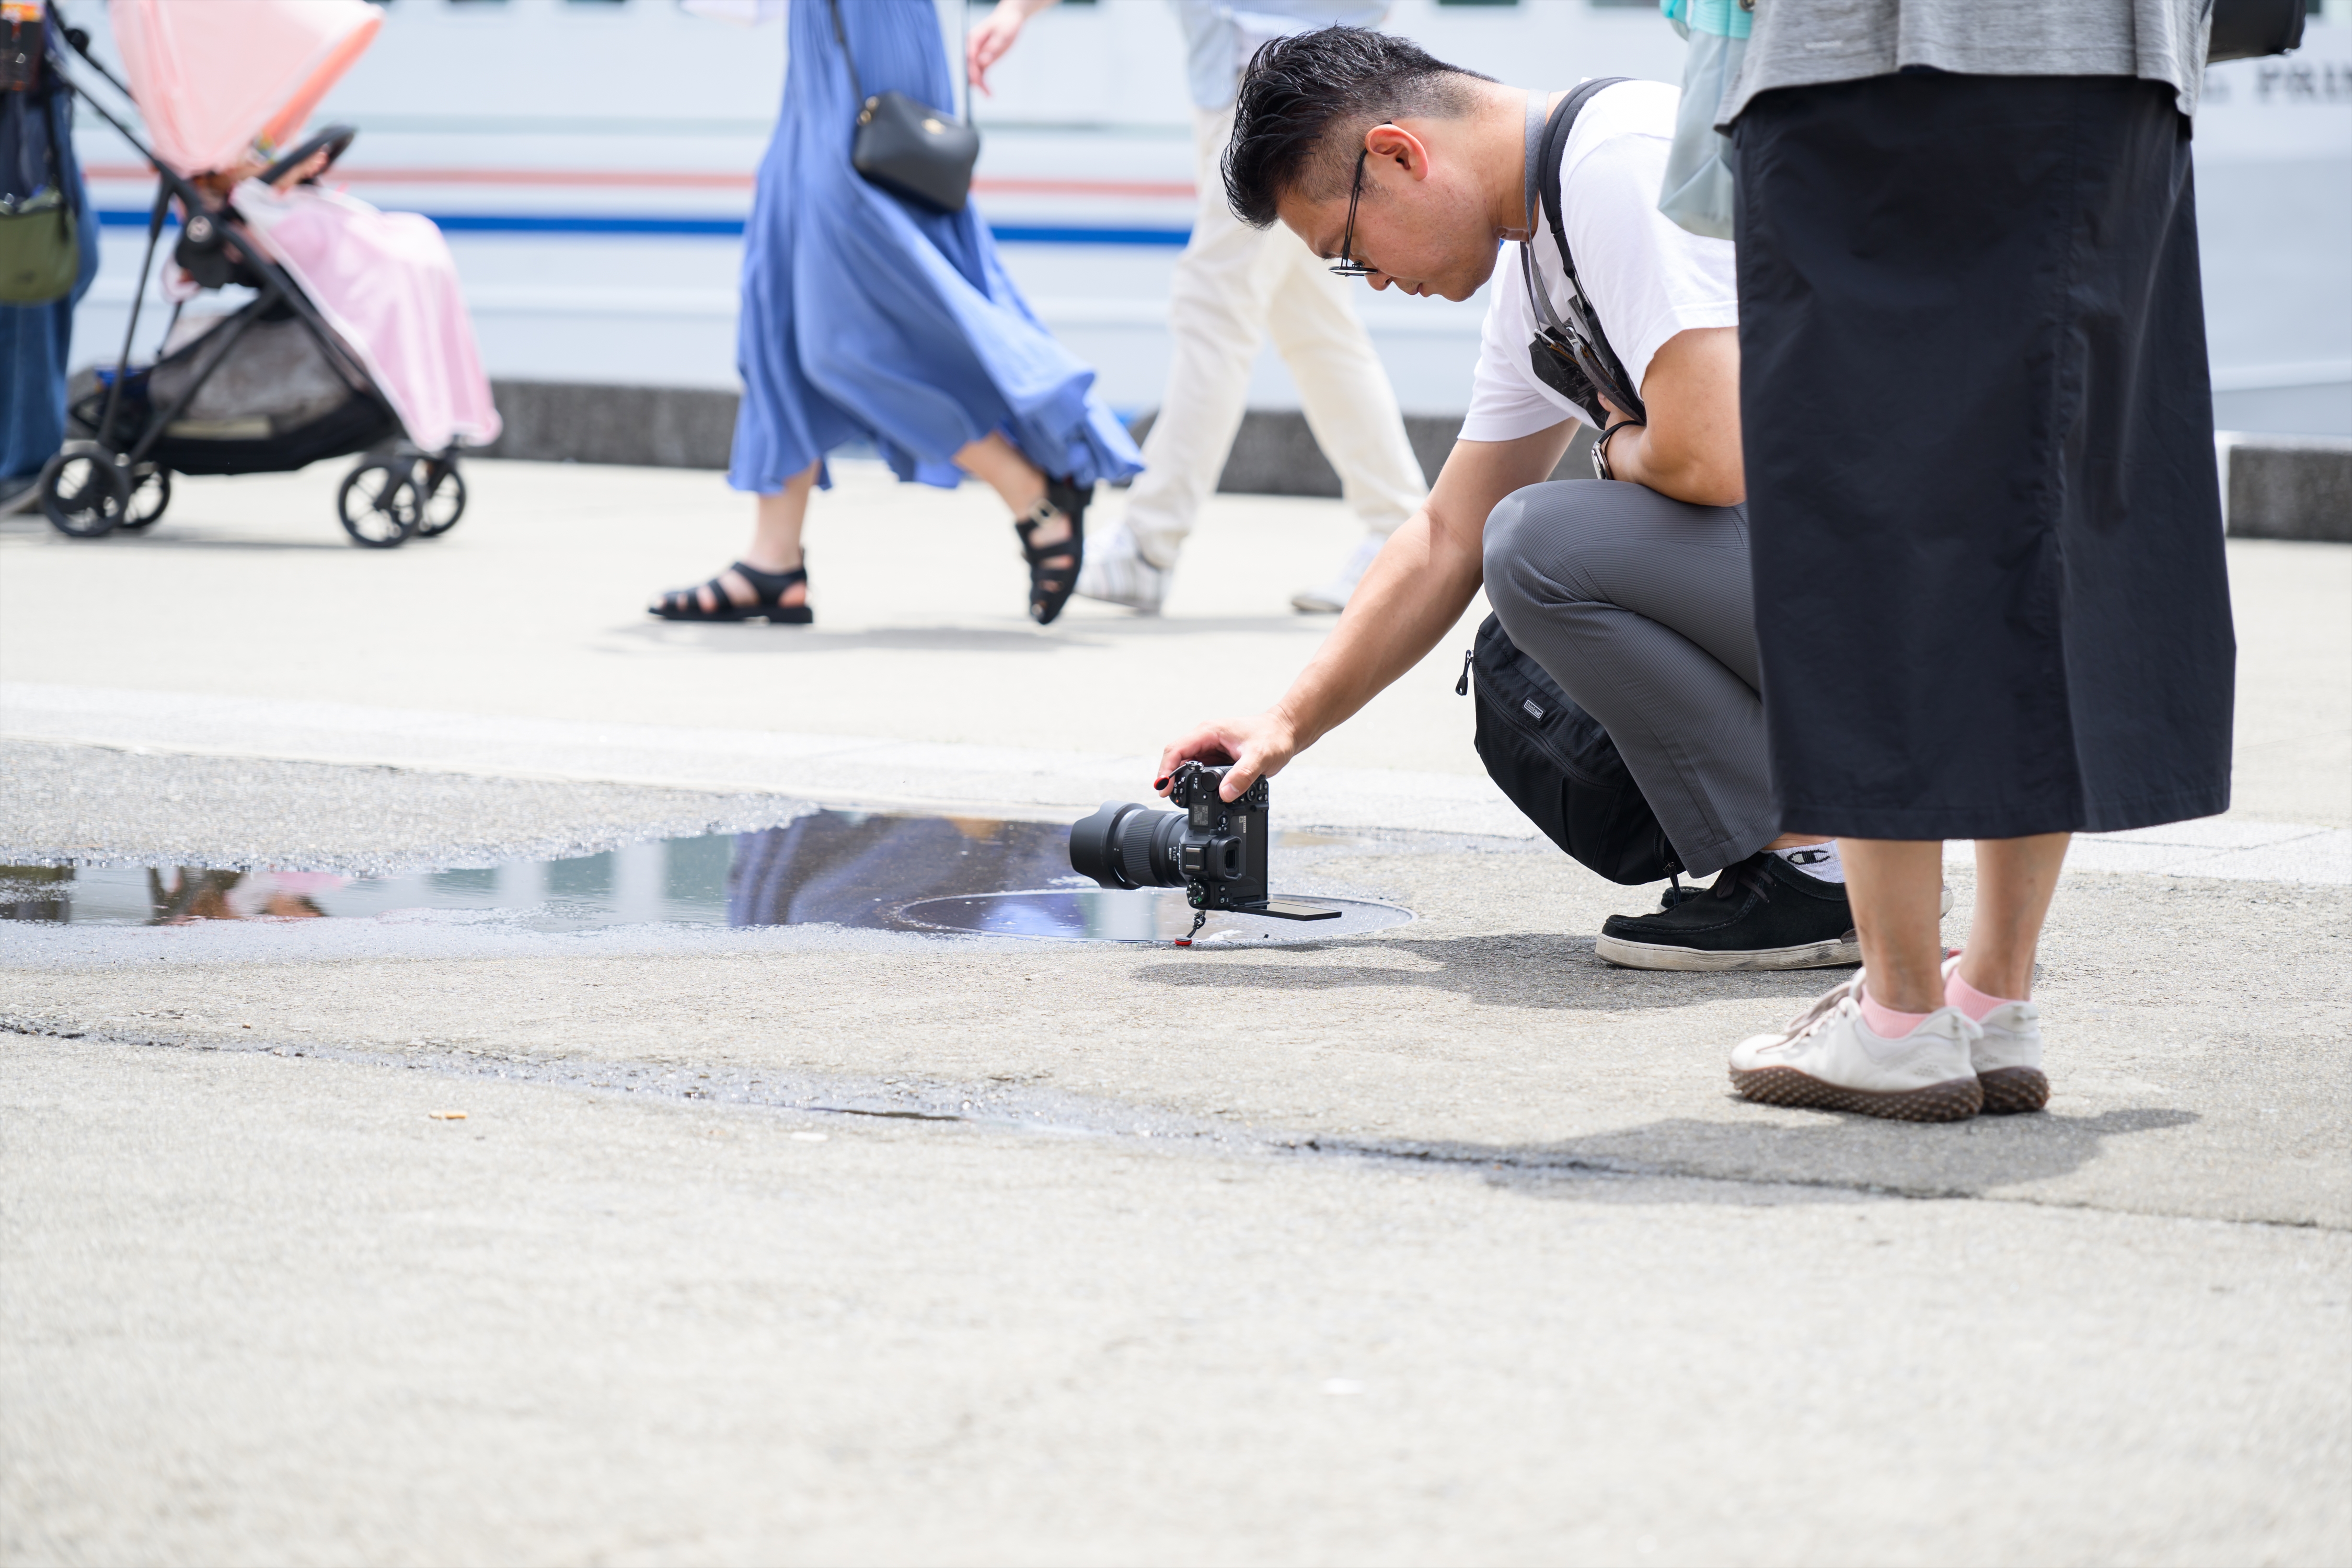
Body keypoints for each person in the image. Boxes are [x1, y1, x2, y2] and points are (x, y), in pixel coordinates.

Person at [1152, 29, 1866, 972]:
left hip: (1926, 586)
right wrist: (1287, 724)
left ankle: (1811, 872)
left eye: (1349, 248)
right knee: (1515, 606)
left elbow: (1711, 455)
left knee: (1539, 544)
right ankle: (1823, 856)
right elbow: (1447, 533)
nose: (1370, 280)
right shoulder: (1542, 254)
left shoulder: (1619, 163)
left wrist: (1616, 444)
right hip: (1853, 572)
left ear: (1398, 155)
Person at [1712, 2, 2233, 1121]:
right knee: (2057, 508)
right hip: (2123, 65)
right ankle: (1996, 994)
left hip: (1880, 57)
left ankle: (1901, 1012)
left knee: (1870, 512)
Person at [651, 0, 1142, 628]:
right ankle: (772, 558)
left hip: (879, 39)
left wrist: (1018, 9)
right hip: (819, 39)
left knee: (842, 334)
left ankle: (1031, 490)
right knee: (776, 293)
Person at [968, 0, 1428, 616]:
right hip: (1312, 64)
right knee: (1314, 324)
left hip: (1272, 72)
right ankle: (1397, 537)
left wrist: (1019, 9)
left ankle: (1148, 545)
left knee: (1216, 306)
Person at [0, 26, 98, 518]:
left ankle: (21, 458)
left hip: (40, 114)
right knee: (30, 288)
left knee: (75, 264)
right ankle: (23, 467)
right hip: (17, 120)